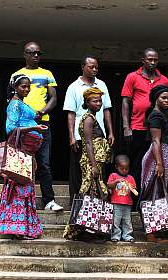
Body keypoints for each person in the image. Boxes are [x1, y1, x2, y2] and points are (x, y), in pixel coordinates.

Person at [10, 42, 63, 211]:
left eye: (38, 53)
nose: (36, 56)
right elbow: (10, 99)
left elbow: (54, 97)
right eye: (32, 53)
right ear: (25, 54)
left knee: (44, 163)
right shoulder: (16, 75)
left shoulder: (47, 73)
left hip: (42, 122)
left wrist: (42, 112)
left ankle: (49, 201)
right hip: (22, 125)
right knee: (21, 163)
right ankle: (21, 201)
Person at [0, 74, 48, 239]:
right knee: (18, 186)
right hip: (19, 152)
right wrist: (34, 129)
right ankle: (16, 227)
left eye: (28, 86)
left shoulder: (21, 104)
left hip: (27, 152)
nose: (26, 89)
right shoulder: (14, 105)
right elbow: (11, 129)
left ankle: (23, 226)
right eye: (23, 86)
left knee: (25, 186)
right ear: (15, 87)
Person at [63, 56, 115, 203]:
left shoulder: (102, 84)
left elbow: (106, 110)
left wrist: (110, 132)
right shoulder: (74, 87)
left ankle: (96, 205)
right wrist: (71, 136)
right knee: (79, 171)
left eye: (96, 67)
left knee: (98, 170)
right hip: (81, 136)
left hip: (99, 136)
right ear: (83, 67)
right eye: (91, 67)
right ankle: (77, 204)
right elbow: (71, 113)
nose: (94, 70)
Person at [121, 48, 168, 201]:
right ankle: (135, 200)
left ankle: (152, 199)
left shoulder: (163, 79)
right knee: (137, 164)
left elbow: (167, 102)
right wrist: (126, 126)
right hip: (138, 128)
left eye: (155, 59)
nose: (153, 62)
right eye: (150, 59)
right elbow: (125, 102)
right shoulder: (132, 77)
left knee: (157, 164)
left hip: (158, 129)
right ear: (143, 60)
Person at [63, 87, 111, 240]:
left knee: (95, 194)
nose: (98, 103)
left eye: (99, 100)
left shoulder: (93, 117)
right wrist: (94, 165)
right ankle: (82, 229)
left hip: (95, 161)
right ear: (87, 102)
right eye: (94, 101)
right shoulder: (88, 118)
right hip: (91, 162)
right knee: (89, 193)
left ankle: (93, 228)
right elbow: (88, 143)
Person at [139, 85, 168, 242]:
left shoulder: (165, 115)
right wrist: (159, 164)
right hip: (158, 160)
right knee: (153, 193)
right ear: (156, 98)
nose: (167, 101)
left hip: (166, 160)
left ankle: (162, 229)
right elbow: (156, 141)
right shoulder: (155, 116)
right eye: (164, 97)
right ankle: (150, 233)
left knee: (163, 194)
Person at [107, 155, 138, 243]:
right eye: (122, 169)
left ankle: (127, 235)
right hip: (116, 203)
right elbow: (109, 185)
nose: (124, 170)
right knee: (116, 221)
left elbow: (134, 190)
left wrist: (132, 188)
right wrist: (116, 182)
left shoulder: (130, 178)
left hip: (127, 204)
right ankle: (116, 235)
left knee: (127, 221)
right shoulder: (113, 175)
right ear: (116, 167)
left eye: (126, 169)